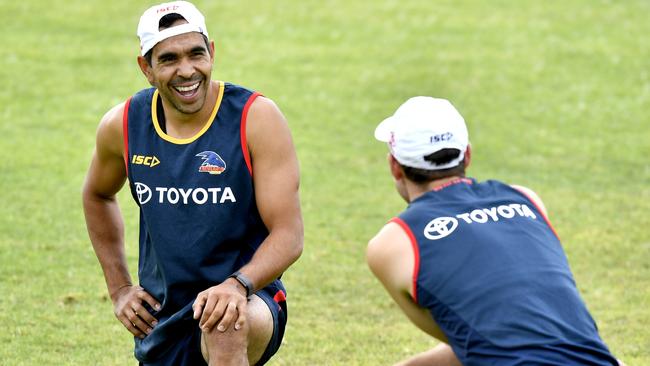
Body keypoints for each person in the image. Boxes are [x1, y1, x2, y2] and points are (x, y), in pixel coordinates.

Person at [82, 1, 303, 365]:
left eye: (196, 54)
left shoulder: (256, 118)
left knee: (224, 321)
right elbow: (97, 195)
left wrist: (237, 285)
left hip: (249, 295)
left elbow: (288, 235)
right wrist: (119, 287)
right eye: (168, 59)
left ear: (212, 52)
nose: (187, 71)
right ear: (146, 68)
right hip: (163, 313)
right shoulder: (123, 125)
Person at [366, 96, 622, 365]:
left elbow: (468, 340)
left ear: (394, 166)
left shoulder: (393, 243)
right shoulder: (526, 200)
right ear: (467, 154)